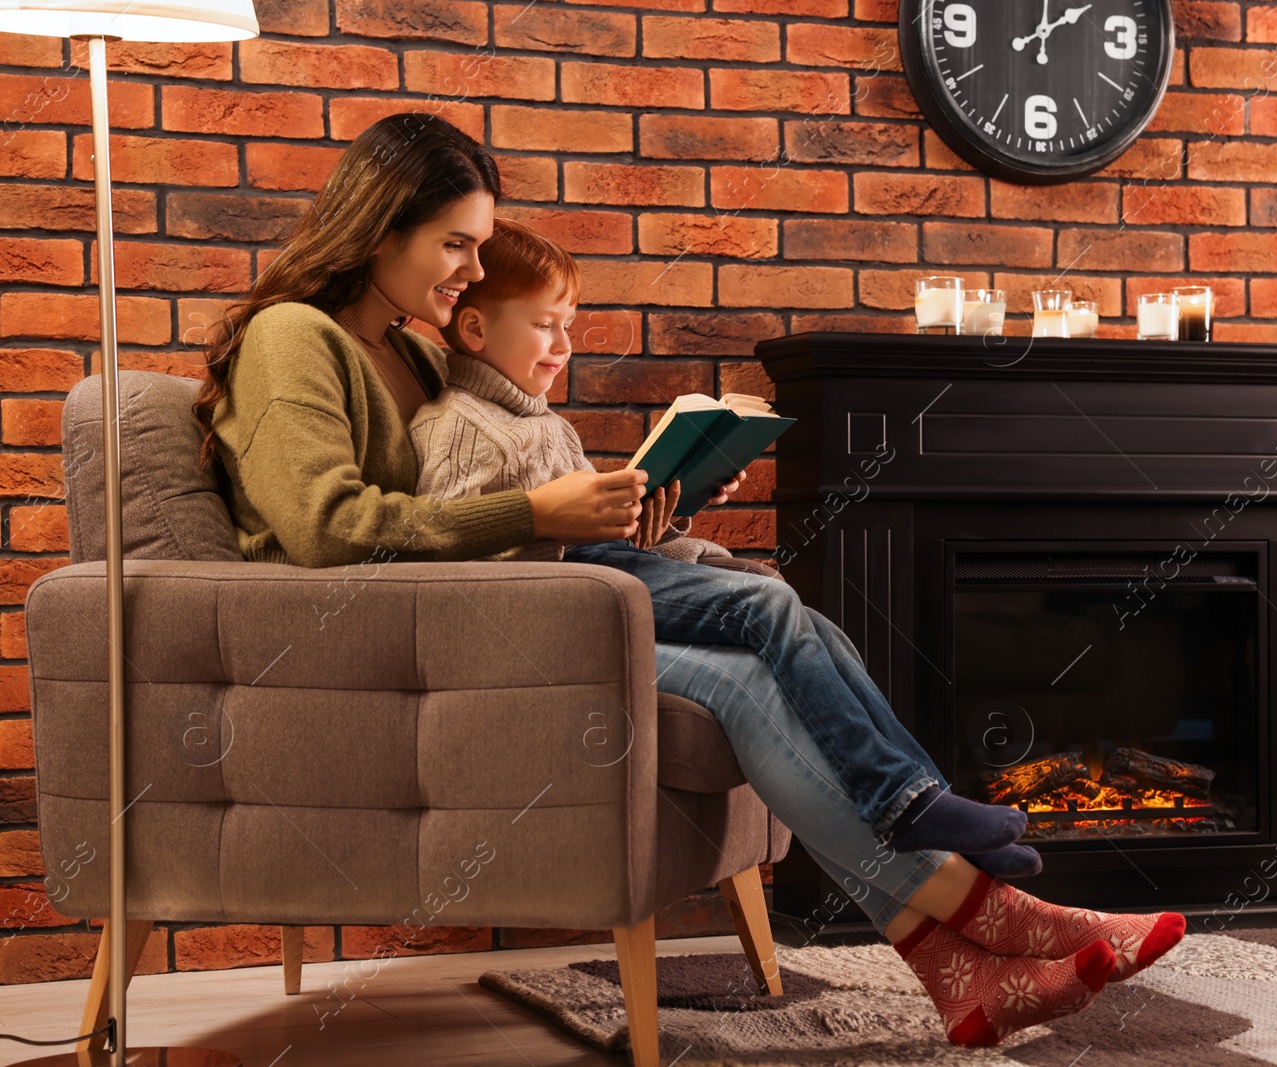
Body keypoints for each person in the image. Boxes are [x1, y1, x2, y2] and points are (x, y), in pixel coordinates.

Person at [195, 112, 1184, 1047]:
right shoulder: (298, 338)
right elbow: (328, 532)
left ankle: (954, 959)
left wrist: (633, 508)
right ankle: (998, 915)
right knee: (755, 624)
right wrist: (543, 514)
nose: (469, 269)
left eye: (475, 247)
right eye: (454, 243)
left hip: (489, 607)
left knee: (759, 660)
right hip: (397, 645)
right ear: (382, 227)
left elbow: (487, 495)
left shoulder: (411, 348)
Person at [407, 217, 1037, 875]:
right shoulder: (457, 426)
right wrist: (566, 530)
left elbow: (574, 525)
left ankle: (932, 810)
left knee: (811, 622)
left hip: (601, 569)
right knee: (767, 605)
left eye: (569, 324)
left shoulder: (537, 418)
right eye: (545, 325)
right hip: (567, 599)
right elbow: (462, 569)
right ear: (476, 329)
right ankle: (902, 802)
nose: (565, 344)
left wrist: (659, 507)